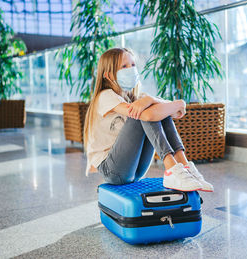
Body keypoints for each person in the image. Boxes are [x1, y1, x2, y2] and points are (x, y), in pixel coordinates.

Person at [83, 47, 214, 192]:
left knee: (156, 110)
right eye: (124, 66)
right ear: (109, 75)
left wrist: (171, 103)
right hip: (112, 170)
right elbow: (147, 115)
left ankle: (185, 166)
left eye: (133, 65)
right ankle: (171, 168)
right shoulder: (105, 96)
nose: (131, 69)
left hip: (135, 169)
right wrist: (160, 103)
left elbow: (170, 110)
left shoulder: (135, 97)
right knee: (144, 112)